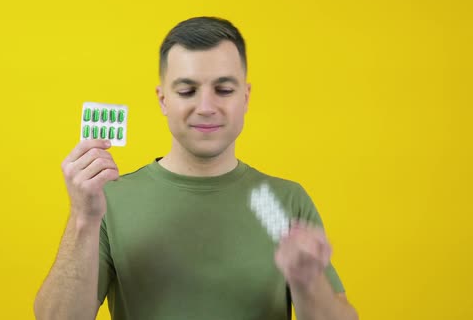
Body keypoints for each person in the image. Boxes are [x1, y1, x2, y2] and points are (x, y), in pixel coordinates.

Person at [34, 16, 358, 320]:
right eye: (187, 91)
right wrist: (83, 218)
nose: (205, 108)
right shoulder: (110, 200)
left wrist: (308, 281)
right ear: (163, 100)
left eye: (224, 90)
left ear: (245, 98)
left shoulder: (285, 201)